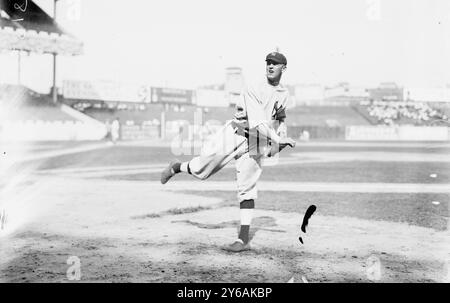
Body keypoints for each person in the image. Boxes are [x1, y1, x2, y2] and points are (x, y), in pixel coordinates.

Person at [160, 52, 296, 252]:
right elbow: (258, 123)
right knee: (201, 171)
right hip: (236, 133)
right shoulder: (254, 88)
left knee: (247, 187)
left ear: (283, 68)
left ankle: (243, 239)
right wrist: (276, 139)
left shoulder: (284, 93)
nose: (270, 66)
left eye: (275, 63)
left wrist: (279, 137)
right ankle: (176, 167)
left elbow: (280, 117)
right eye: (268, 62)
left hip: (256, 142)